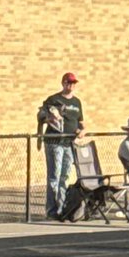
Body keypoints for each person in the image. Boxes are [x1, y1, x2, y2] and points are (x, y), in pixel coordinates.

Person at [37, 72, 85, 219]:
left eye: (73, 83)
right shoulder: (54, 99)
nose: (71, 86)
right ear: (63, 83)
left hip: (69, 143)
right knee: (55, 176)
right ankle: (52, 210)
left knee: (64, 176)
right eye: (68, 83)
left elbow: (81, 122)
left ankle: (62, 207)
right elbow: (41, 116)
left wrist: (82, 131)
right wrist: (50, 117)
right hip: (54, 142)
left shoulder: (77, 102)